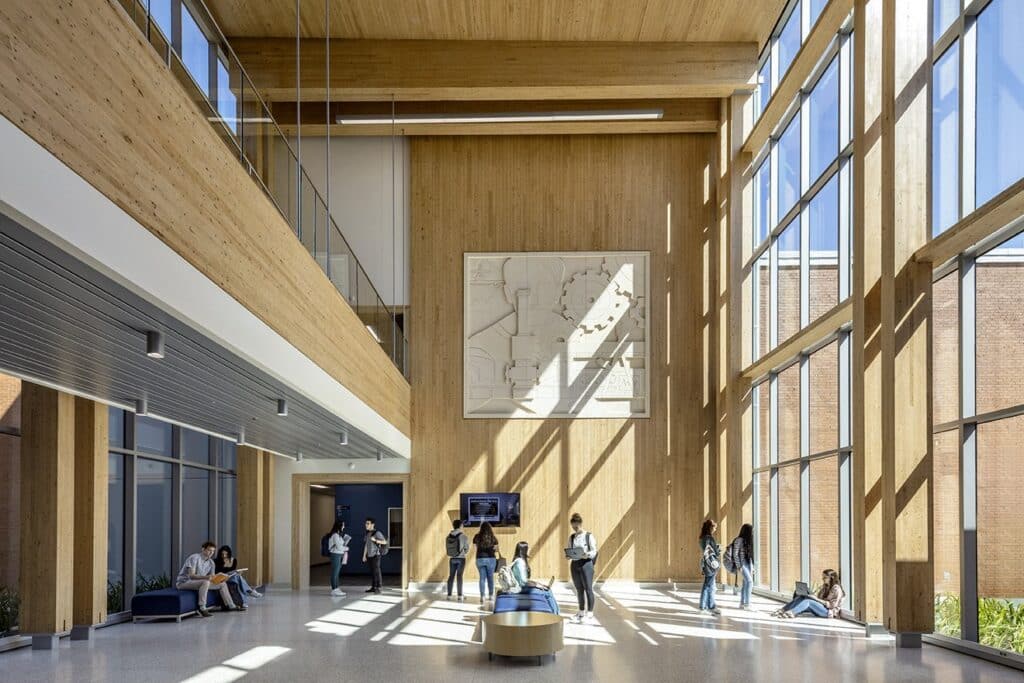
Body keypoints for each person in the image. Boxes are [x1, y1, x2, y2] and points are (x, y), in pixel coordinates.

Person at [176, 541, 243, 616]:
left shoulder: (211, 562)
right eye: (209, 550)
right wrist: (207, 577)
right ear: (203, 549)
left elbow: (213, 578)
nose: (211, 553)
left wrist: (222, 579)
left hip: (198, 583)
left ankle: (231, 605)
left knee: (222, 584)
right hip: (184, 582)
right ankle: (202, 608)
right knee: (205, 582)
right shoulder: (194, 558)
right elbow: (191, 576)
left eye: (213, 551)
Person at [772, 569, 846, 619]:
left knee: (808, 602)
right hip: (822, 608)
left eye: (825, 578)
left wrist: (815, 599)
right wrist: (811, 595)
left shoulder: (836, 589)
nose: (823, 579)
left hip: (829, 612)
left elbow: (832, 605)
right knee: (802, 598)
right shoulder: (825, 587)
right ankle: (783, 610)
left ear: (832, 578)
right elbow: (820, 599)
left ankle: (791, 613)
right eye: (822, 577)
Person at [510, 541, 559, 614]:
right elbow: (523, 582)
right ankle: (555, 614)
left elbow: (524, 580)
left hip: (521, 587)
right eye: (528, 548)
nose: (529, 550)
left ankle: (554, 613)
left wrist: (539, 584)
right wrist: (537, 585)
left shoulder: (519, 560)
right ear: (524, 550)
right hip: (520, 589)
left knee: (546, 589)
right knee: (547, 592)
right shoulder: (520, 563)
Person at [567, 512, 599, 624]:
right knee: (579, 589)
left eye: (576, 526)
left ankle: (589, 613)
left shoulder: (588, 536)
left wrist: (587, 555)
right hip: (575, 564)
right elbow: (570, 549)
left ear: (580, 523)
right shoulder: (571, 537)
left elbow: (594, 551)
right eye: (573, 527)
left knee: (588, 589)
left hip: (586, 564)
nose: (575, 528)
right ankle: (581, 612)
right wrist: (568, 555)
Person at [699, 519, 721, 616]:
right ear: (710, 527)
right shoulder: (710, 538)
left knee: (709, 585)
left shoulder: (702, 539)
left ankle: (710, 605)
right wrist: (718, 548)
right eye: (714, 527)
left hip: (706, 563)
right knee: (708, 586)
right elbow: (716, 552)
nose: (715, 529)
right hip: (711, 564)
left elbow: (706, 551)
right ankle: (704, 607)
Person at [473, 521, 499, 603]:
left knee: (482, 578)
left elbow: (475, 548)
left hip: (480, 559)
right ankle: (491, 596)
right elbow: (496, 550)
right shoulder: (493, 537)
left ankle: (482, 596)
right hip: (491, 559)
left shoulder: (476, 537)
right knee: (490, 578)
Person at [445, 519, 470, 601]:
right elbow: (466, 549)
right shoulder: (463, 536)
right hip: (461, 558)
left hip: (452, 558)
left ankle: (449, 594)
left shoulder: (448, 536)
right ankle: (459, 595)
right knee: (459, 576)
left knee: (451, 576)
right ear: (460, 526)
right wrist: (463, 552)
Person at [731, 524, 754, 610]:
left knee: (745, 583)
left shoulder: (747, 540)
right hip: (742, 563)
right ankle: (747, 604)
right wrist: (739, 566)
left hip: (748, 563)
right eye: (751, 530)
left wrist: (752, 566)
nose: (752, 532)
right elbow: (735, 554)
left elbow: (750, 555)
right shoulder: (739, 540)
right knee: (750, 582)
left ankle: (742, 603)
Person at [362, 517, 387, 594]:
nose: (366, 525)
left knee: (377, 571)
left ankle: (378, 587)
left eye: (368, 523)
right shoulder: (367, 533)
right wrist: (364, 556)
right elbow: (366, 545)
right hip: (369, 555)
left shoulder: (377, 533)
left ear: (372, 524)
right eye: (366, 523)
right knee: (372, 572)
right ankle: (373, 587)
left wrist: (375, 540)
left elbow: (385, 542)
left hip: (376, 555)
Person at [327, 520, 350, 597]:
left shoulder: (338, 535)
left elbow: (340, 545)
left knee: (337, 573)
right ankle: (334, 589)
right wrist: (346, 548)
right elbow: (339, 547)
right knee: (335, 572)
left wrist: (345, 542)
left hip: (338, 555)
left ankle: (336, 588)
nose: (343, 527)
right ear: (339, 526)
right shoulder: (335, 535)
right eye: (343, 525)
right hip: (335, 555)